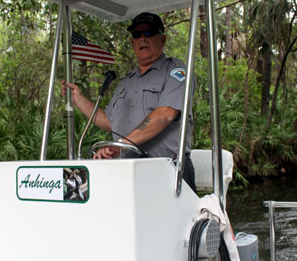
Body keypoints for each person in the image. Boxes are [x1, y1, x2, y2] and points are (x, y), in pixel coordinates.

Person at [62, 12, 196, 191]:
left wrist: (122, 145)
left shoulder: (176, 71)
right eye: (137, 34)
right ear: (132, 42)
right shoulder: (126, 82)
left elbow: (165, 114)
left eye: (149, 33)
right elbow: (109, 121)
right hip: (129, 174)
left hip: (170, 173)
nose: (142, 39)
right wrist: (78, 99)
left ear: (162, 39)